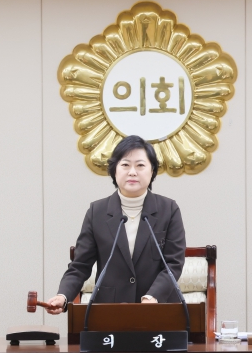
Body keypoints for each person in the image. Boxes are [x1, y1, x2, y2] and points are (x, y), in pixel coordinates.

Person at [46, 135, 186, 315]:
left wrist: (153, 296)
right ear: (114, 170)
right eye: (125, 165)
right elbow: (80, 265)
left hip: (158, 310)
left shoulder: (169, 209)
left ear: (152, 171)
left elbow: (173, 263)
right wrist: (63, 296)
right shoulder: (97, 212)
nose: (132, 172)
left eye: (140, 165)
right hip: (109, 311)